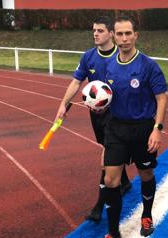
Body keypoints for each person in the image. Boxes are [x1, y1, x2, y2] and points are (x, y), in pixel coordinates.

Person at [91, 15, 168, 238]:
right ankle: (113, 233)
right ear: (113, 35)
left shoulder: (148, 65)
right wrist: (98, 103)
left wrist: (157, 128)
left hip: (143, 128)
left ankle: (146, 214)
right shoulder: (108, 65)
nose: (124, 39)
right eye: (119, 34)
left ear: (136, 35)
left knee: (145, 173)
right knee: (110, 180)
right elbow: (105, 94)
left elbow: (161, 98)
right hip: (116, 128)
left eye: (128, 34)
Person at [54, 15, 131, 224]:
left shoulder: (121, 55)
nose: (95, 34)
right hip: (96, 113)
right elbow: (75, 82)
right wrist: (63, 104)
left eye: (100, 30)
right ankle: (124, 182)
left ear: (111, 34)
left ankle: (99, 206)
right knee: (107, 148)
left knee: (107, 157)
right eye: (94, 30)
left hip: (117, 114)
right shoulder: (88, 57)